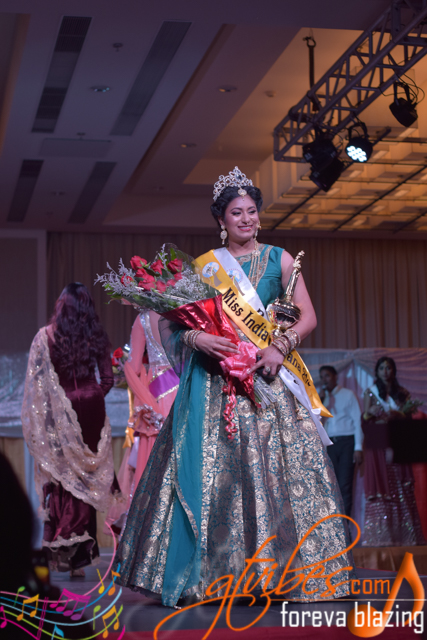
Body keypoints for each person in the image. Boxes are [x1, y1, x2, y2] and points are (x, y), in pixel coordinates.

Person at [113, 167, 355, 606]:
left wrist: (279, 347)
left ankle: (283, 574)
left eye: (251, 211)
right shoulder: (205, 266)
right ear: (221, 220)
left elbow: (308, 316)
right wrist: (197, 339)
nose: (246, 219)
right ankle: (214, 577)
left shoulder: (280, 259)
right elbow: (172, 325)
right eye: (236, 213)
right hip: (215, 385)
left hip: (268, 381)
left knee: (276, 479)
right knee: (218, 480)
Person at [21, 283, 117, 576]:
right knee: (86, 479)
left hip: (62, 410)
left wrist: (57, 408)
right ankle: (80, 559)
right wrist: (91, 396)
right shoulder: (95, 335)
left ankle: (63, 546)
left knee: (62, 477)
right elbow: (108, 380)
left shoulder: (45, 336)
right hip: (91, 409)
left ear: (61, 305)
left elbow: (37, 384)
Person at [104, 310, 179, 534]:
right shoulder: (185, 310)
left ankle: (149, 538)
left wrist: (146, 402)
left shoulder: (144, 319)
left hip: (156, 398)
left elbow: (132, 368)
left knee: (154, 474)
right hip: (185, 393)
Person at [362, 356, 425, 546]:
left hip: (398, 439)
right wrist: (370, 412)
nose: (385, 371)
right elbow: (365, 418)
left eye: (388, 368)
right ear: (377, 372)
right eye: (382, 368)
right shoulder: (370, 392)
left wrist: (400, 414)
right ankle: (382, 537)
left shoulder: (402, 393)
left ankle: (407, 536)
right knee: (383, 484)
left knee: (400, 483)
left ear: (393, 371)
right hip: (379, 442)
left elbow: (409, 419)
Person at [319, 365, 363, 517]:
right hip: (330, 444)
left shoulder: (348, 394)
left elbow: (357, 421)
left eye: (327, 376)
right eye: (322, 377)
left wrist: (358, 447)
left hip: (347, 443)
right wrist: (321, 402)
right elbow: (316, 424)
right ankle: (335, 522)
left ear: (335, 377)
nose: (324, 379)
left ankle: (345, 524)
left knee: (344, 484)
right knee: (332, 484)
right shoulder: (320, 399)